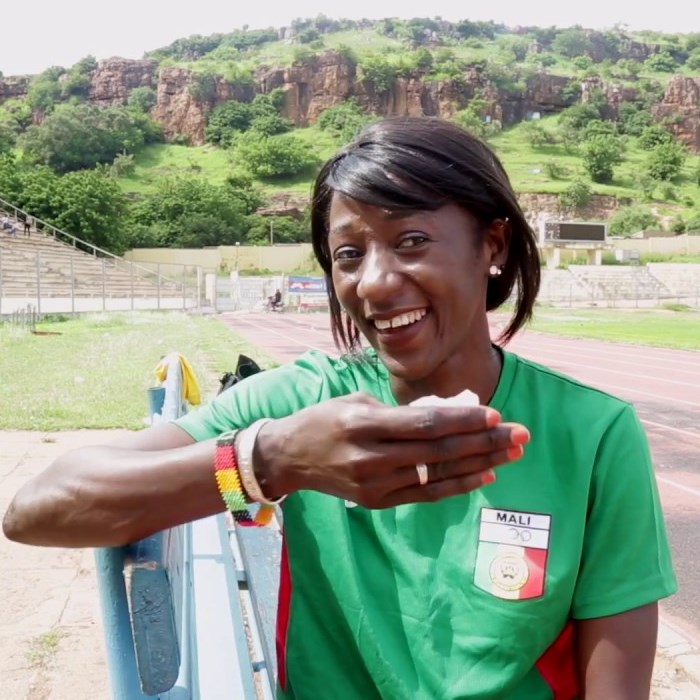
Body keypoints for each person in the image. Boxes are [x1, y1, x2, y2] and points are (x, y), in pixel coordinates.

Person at [3, 117, 676, 699]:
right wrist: (270, 461)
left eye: (411, 241)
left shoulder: (593, 435)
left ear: (492, 246)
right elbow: (36, 508)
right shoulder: (303, 402)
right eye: (349, 254)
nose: (374, 284)